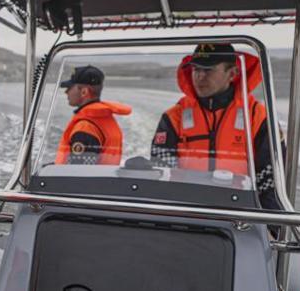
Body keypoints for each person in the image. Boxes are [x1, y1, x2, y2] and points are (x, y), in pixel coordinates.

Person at [149, 43, 281, 208]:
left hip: (242, 212)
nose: (200, 76)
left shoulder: (257, 116)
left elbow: (272, 179)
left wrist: (270, 227)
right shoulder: (173, 117)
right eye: (196, 69)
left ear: (232, 73)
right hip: (185, 208)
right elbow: (161, 169)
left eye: (208, 70)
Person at [54, 65, 132, 165]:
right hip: (105, 179)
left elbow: (79, 173)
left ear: (84, 92)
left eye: (70, 88)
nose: (66, 92)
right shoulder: (106, 119)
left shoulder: (85, 128)